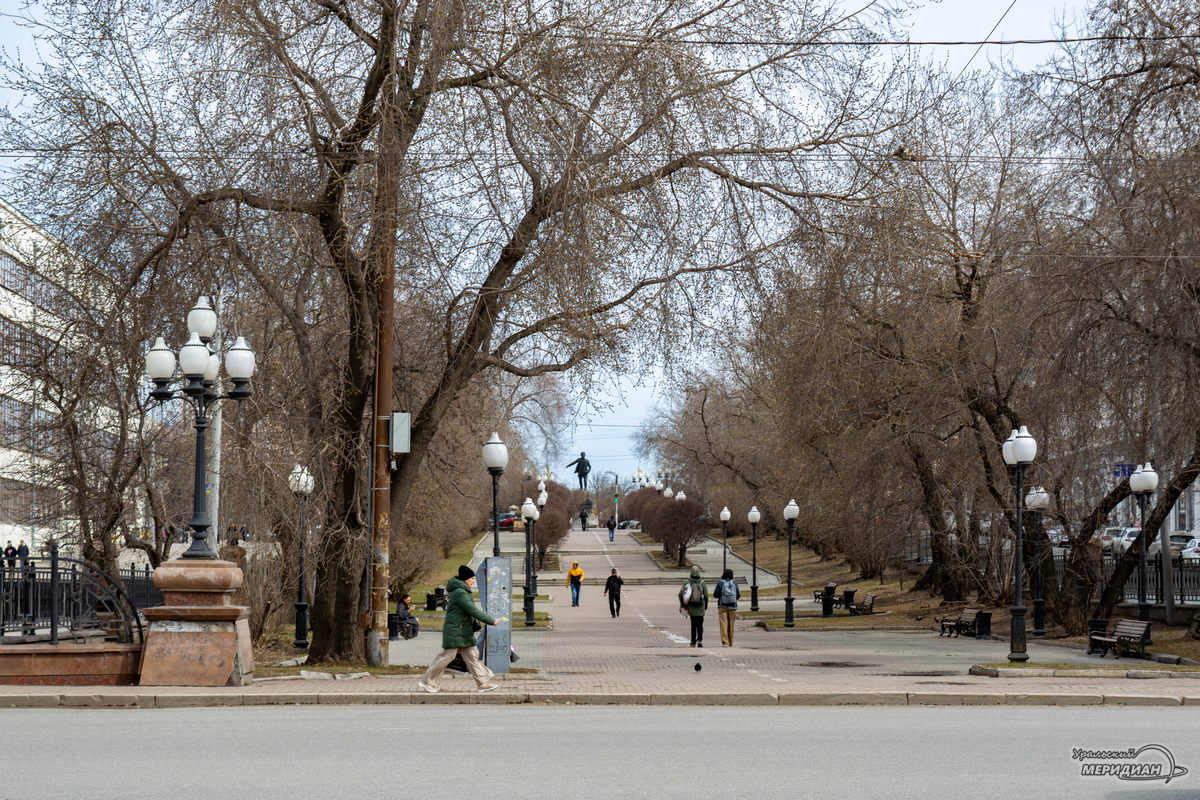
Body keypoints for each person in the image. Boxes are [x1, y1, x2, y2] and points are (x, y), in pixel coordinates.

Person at [418, 565, 499, 693]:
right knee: (446, 657)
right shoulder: (460, 592)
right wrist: (491, 620)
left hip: (463, 632)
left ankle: (483, 683)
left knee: (472, 657)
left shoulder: (462, 591)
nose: (473, 581)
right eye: (472, 578)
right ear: (466, 579)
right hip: (456, 632)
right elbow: (472, 610)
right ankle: (427, 682)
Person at [678, 565, 708, 647]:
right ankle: (700, 640)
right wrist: (705, 606)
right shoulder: (703, 583)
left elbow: (680, 594)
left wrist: (683, 604)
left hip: (691, 607)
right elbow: (706, 596)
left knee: (693, 624)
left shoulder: (688, 583)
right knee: (700, 625)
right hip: (700, 607)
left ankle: (693, 641)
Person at [714, 568, 740, 647]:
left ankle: (725, 641)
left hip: (722, 606)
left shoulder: (720, 583)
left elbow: (715, 595)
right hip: (732, 607)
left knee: (723, 624)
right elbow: (738, 596)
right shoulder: (734, 583)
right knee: (731, 625)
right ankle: (731, 641)